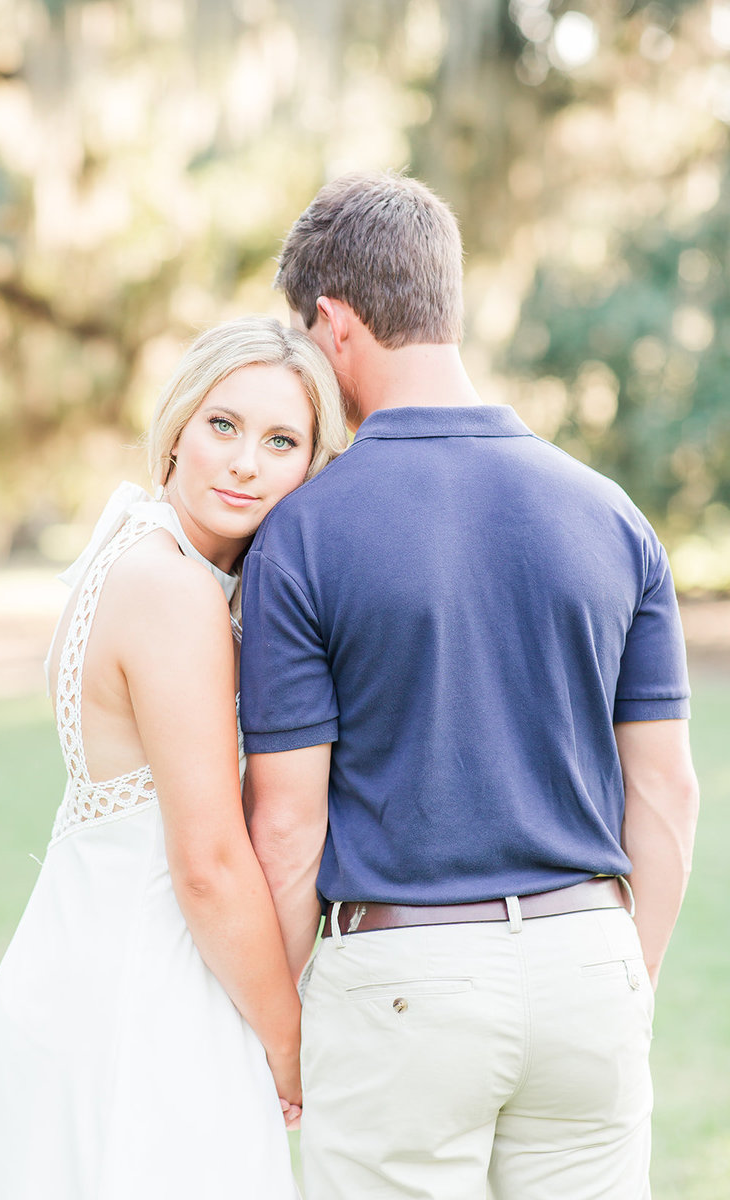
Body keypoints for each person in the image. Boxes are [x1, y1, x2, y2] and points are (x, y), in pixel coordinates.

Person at [239, 172, 700, 1200]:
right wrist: (620, 978)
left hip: (404, 983)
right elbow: (664, 792)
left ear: (331, 322)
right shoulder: (612, 515)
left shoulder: (303, 536)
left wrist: (276, 1037)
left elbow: (285, 833)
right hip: (589, 961)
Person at [0, 316, 348, 1200]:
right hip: (142, 1001)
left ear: (312, 468)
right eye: (223, 425)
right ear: (175, 431)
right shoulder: (171, 591)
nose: (245, 462)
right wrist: (287, 1042)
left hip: (79, 963)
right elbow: (205, 863)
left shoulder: (135, 556)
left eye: (281, 441)